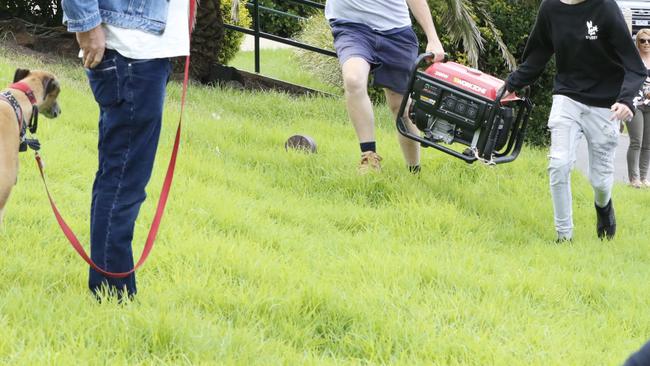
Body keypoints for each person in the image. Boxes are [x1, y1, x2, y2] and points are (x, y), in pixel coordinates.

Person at [61, 0, 191, 298]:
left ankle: (110, 286)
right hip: (131, 52)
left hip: (142, 51)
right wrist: (87, 25)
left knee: (120, 177)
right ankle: (112, 293)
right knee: (123, 182)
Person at [503, 0, 646, 242]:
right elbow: (538, 55)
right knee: (558, 164)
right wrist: (510, 85)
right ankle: (564, 237)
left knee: (600, 180)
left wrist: (625, 100)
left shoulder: (605, 7)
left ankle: (603, 207)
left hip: (605, 105)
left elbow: (634, 66)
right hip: (567, 97)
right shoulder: (550, 7)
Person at [325, 0, 445, 174]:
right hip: (351, 27)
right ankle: (369, 157)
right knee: (353, 79)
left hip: (396, 32)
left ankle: (414, 172)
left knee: (400, 107)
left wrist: (433, 38)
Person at [627, 28, 650, 188]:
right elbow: (627, 81)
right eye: (642, 41)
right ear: (638, 43)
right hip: (635, 104)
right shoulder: (632, 60)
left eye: (649, 41)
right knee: (636, 141)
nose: (646, 44)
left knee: (648, 144)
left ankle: (643, 177)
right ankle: (633, 179)